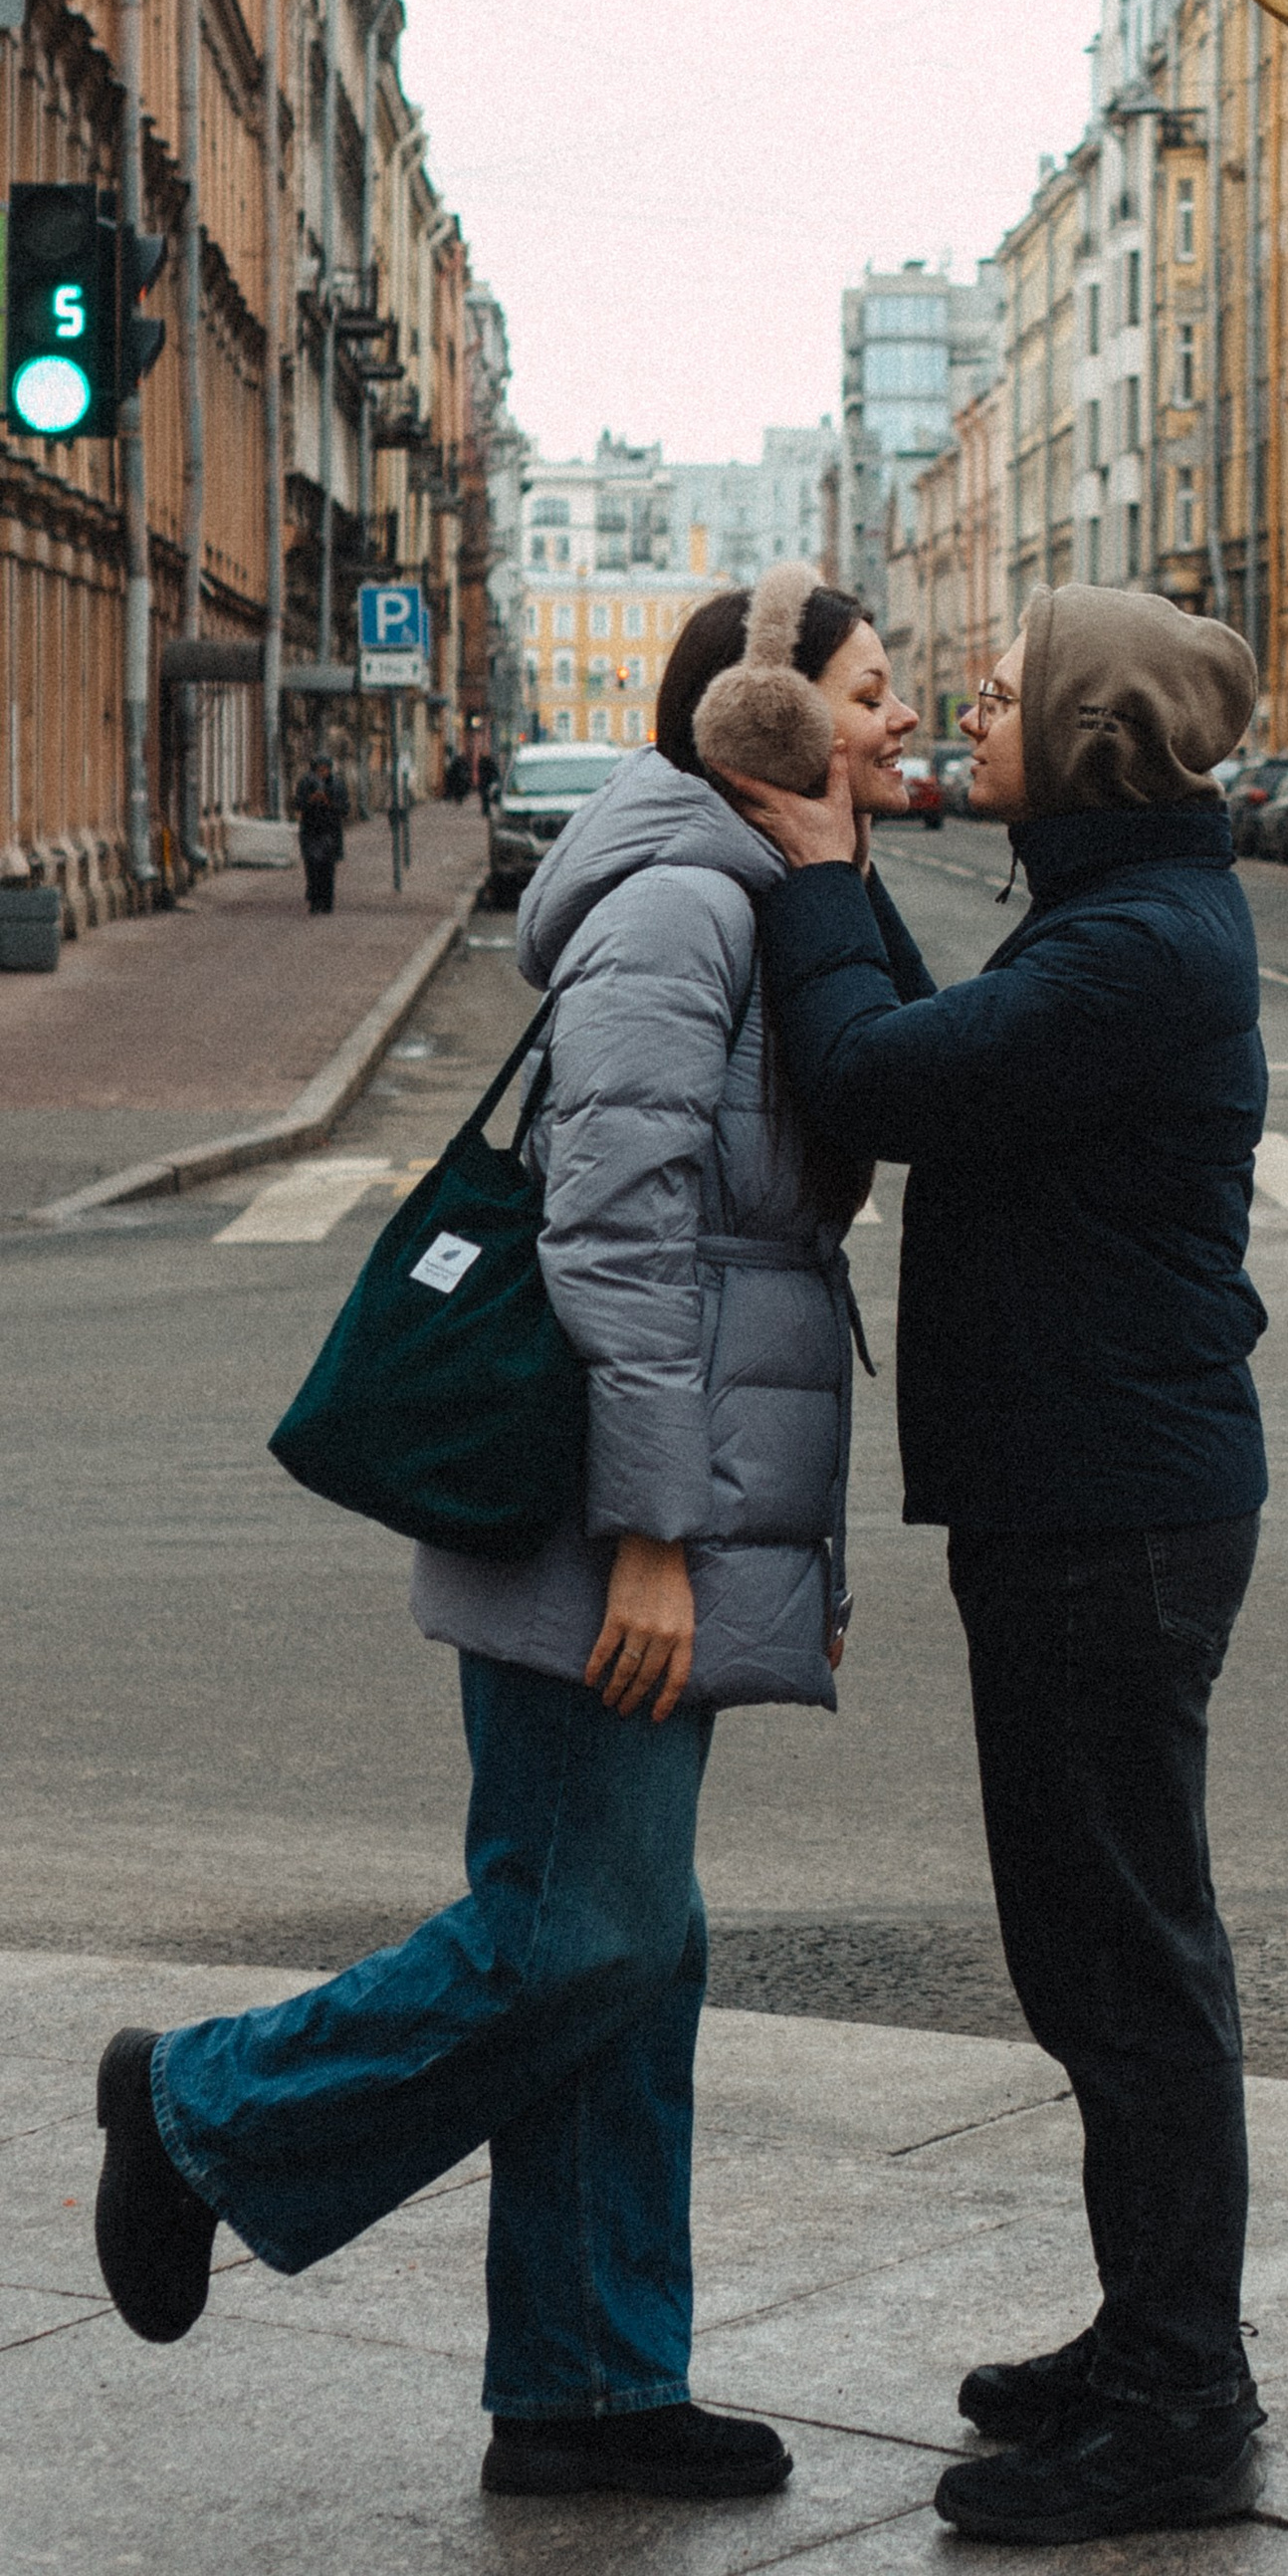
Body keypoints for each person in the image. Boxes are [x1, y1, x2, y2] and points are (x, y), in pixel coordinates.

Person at [92, 570, 919, 2506]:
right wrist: (654, 1538)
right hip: (598, 1516)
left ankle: (589, 2382)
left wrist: (755, 1557)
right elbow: (616, 1236)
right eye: (873, 694)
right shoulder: (674, 906)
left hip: (672, 1513)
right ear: (773, 721)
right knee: (581, 1934)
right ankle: (199, 2110)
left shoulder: (759, 893)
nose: (903, 723)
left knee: (632, 1952)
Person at [734, 582, 1268, 2548]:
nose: (976, 698)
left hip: (1104, 1505)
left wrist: (805, 868)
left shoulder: (1134, 948)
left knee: (1126, 1970)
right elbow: (935, 1028)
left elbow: (878, 1076)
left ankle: (1180, 2410)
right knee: (1096, 1962)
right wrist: (844, 847)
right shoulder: (1119, 909)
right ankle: (1147, 2347)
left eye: (1015, 689)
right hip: (1087, 1488)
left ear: (1097, 736)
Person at [292, 747, 348, 914]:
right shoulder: (305, 783)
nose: (322, 772)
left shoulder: (337, 784)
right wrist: (311, 800)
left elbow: (344, 809)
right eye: (319, 769)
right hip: (310, 830)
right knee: (312, 867)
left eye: (325, 769)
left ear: (330, 769)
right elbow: (297, 804)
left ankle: (327, 902)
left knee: (327, 869)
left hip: (330, 831)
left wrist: (328, 802)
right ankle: (314, 901)